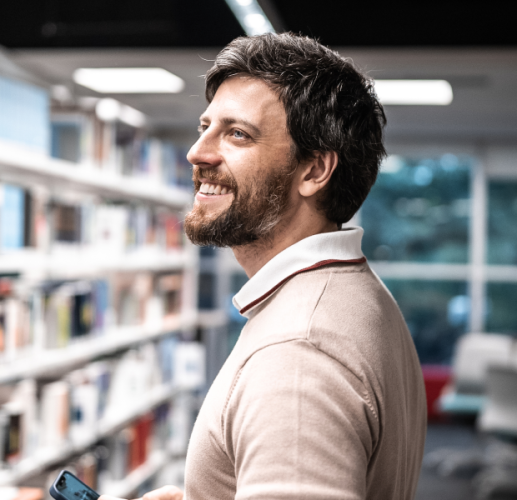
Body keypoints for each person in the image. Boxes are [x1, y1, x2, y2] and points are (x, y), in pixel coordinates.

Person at [101, 32, 427, 500]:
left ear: (314, 170)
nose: (198, 152)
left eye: (237, 134)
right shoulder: (351, 291)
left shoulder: (300, 353)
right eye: (205, 126)